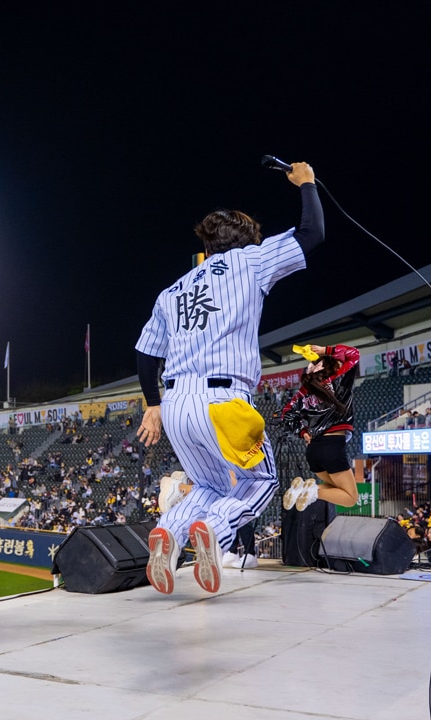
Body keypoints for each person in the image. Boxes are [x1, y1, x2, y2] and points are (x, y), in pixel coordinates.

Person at [135, 161, 322, 595]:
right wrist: (308, 184)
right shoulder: (249, 261)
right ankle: (214, 531)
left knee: (207, 483)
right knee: (261, 480)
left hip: (176, 401)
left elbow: (145, 353)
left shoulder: (172, 290)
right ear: (245, 239)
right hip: (225, 399)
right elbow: (313, 234)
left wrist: (152, 405)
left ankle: (171, 532)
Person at [278, 344, 361, 510]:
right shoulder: (338, 378)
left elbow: (286, 413)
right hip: (333, 446)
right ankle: (313, 491)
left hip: (313, 451)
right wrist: (325, 351)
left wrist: (302, 432)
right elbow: (354, 354)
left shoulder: (304, 392)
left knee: (336, 489)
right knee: (351, 498)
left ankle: (299, 491)